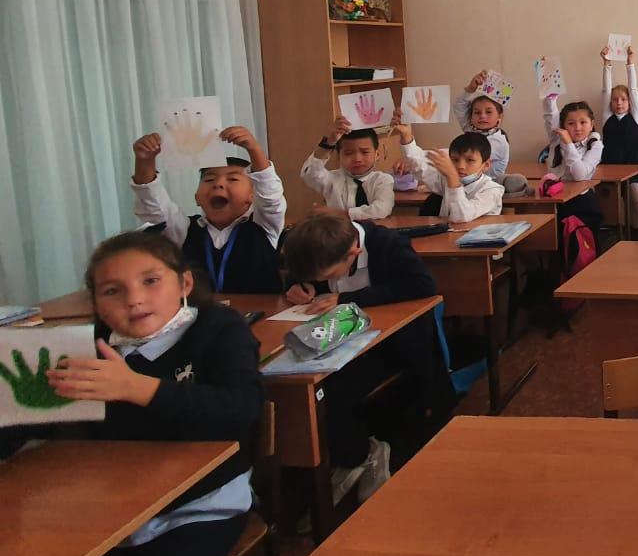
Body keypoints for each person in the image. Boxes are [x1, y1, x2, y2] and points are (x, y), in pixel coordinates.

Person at [12, 232, 263, 556]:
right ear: (95, 303)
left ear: (184, 283)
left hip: (200, 508)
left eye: (151, 281)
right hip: (108, 515)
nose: (134, 299)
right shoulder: (85, 348)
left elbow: (240, 411)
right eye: (113, 291)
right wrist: (13, 406)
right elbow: (30, 423)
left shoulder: (219, 329)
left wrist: (137, 388)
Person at [279, 214, 448, 503]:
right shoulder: (319, 248)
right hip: (334, 341)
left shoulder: (387, 244)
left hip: (390, 344)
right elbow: (302, 272)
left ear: (353, 253)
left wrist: (348, 299)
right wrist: (298, 287)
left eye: (328, 276)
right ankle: (337, 459)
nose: (325, 282)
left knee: (330, 391)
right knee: (297, 387)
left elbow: (422, 285)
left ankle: (362, 455)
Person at [130, 124, 286, 295]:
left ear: (253, 196)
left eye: (233, 179)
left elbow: (270, 197)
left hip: (261, 310)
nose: (218, 184)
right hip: (201, 310)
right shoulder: (184, 229)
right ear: (197, 197)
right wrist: (145, 161)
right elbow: (154, 206)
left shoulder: (264, 225)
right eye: (209, 179)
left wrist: (254, 148)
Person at [395, 124, 504, 222]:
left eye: (470, 160)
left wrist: (452, 177)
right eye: (455, 160)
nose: (460, 166)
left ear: (486, 165)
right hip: (447, 235)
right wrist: (406, 137)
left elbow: (461, 216)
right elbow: (419, 168)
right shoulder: (445, 180)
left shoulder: (492, 190)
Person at [541, 71, 606, 234]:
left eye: (583, 122)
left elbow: (579, 175)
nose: (577, 128)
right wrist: (549, 89)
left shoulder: (595, 145)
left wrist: (568, 144)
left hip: (581, 203)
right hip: (554, 198)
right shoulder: (557, 139)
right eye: (571, 123)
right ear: (563, 125)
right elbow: (550, 115)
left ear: (592, 124)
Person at [300, 116, 395, 220]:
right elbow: (309, 174)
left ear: (377, 155)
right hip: (338, 230)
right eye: (348, 153)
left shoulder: (383, 180)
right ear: (338, 156)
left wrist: (338, 213)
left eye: (365, 152)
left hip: (375, 229)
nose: (357, 159)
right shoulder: (331, 179)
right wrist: (329, 143)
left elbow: (382, 209)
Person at [599, 43, 638, 227]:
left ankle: (635, 231)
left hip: (633, 170)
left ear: (629, 103)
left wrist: (630, 63)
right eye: (615, 100)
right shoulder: (607, 118)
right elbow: (606, 91)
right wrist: (607, 64)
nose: (619, 103)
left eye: (623, 99)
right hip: (610, 170)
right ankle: (611, 231)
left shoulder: (635, 117)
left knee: (636, 194)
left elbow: (634, 90)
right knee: (606, 200)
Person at [453, 70, 527, 193]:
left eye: (488, 112)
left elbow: (471, 156)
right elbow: (459, 106)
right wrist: (470, 89)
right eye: (477, 112)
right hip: (471, 183)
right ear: (471, 117)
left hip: (490, 187)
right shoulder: (471, 130)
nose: (482, 116)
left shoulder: (498, 140)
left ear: (500, 117)